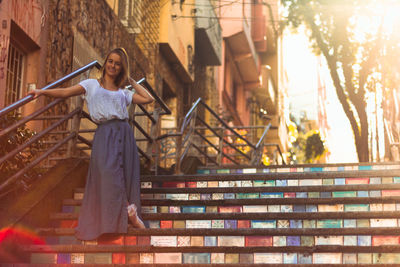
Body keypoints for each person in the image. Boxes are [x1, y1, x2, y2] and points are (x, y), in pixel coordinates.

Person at [28, 47, 154, 240]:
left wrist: (130, 81)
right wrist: (42, 92)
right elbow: (65, 92)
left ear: (122, 68)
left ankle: (130, 212)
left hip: (124, 133)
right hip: (104, 134)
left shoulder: (123, 92)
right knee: (107, 175)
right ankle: (121, 215)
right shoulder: (91, 85)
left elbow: (148, 98)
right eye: (110, 61)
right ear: (105, 63)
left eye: (118, 63)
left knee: (126, 175)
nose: (113, 65)